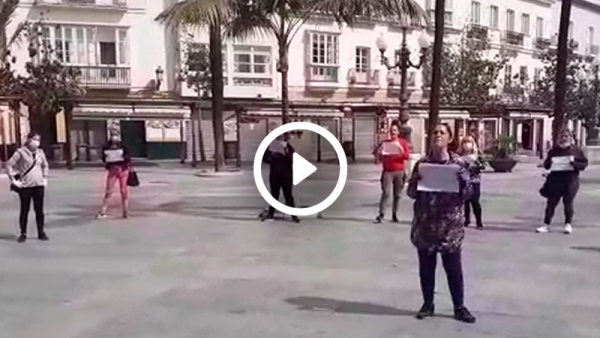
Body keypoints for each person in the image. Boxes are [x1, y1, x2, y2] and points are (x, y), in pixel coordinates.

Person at [406, 123, 476, 323]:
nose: (437, 135)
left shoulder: (459, 164)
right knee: (426, 269)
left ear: (450, 138)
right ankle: (428, 304)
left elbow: (469, 195)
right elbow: (412, 194)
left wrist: (464, 181)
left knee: (453, 269)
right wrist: (416, 180)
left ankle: (459, 307)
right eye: (435, 132)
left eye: (442, 132)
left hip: (450, 228)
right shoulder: (422, 163)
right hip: (425, 225)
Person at [537, 129, 588, 234]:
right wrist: (549, 162)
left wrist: (574, 164)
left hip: (570, 179)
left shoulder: (576, 151)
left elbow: (584, 164)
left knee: (568, 202)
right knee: (551, 203)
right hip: (555, 180)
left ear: (570, 138)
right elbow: (547, 164)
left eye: (566, 136)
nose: (563, 139)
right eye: (561, 136)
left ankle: (568, 224)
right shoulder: (553, 151)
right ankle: (546, 224)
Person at [6, 132, 49, 243]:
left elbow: (45, 165)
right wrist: (13, 180)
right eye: (35, 139)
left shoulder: (40, 152)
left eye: (38, 139)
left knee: (39, 210)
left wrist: (45, 177)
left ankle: (41, 232)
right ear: (29, 139)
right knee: (25, 210)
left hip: (38, 185)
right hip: (26, 186)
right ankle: (23, 233)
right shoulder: (20, 152)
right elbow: (9, 164)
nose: (37, 142)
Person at [373, 120, 410, 223]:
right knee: (386, 192)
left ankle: (395, 214)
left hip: (399, 171)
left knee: (397, 194)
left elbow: (406, 156)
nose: (393, 132)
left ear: (398, 132)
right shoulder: (385, 143)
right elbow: (378, 159)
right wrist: (379, 153)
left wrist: (400, 149)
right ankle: (381, 214)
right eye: (391, 130)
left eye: (394, 130)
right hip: (387, 171)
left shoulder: (403, 143)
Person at [260, 133, 300, 223]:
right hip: (275, 174)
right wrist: (272, 156)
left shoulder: (289, 148)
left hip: (286, 175)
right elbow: (265, 158)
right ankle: (271, 214)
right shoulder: (271, 148)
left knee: (288, 195)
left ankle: (294, 216)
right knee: (274, 195)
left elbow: (292, 159)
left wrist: (285, 150)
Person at [97, 132, 131, 219]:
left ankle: (125, 211)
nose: (114, 137)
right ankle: (103, 211)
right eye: (113, 135)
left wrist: (123, 157)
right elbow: (103, 157)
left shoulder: (123, 145)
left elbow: (128, 157)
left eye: (116, 135)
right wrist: (107, 158)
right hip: (112, 169)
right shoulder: (106, 146)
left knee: (124, 191)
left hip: (123, 169)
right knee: (109, 190)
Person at [458, 136, 485, 229]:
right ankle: (467, 219)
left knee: (475, 202)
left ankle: (479, 222)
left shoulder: (478, 155)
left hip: (475, 181)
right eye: (464, 142)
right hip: (464, 180)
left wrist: (475, 165)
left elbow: (483, 166)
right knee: (465, 201)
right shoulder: (459, 155)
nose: (466, 144)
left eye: (468, 142)